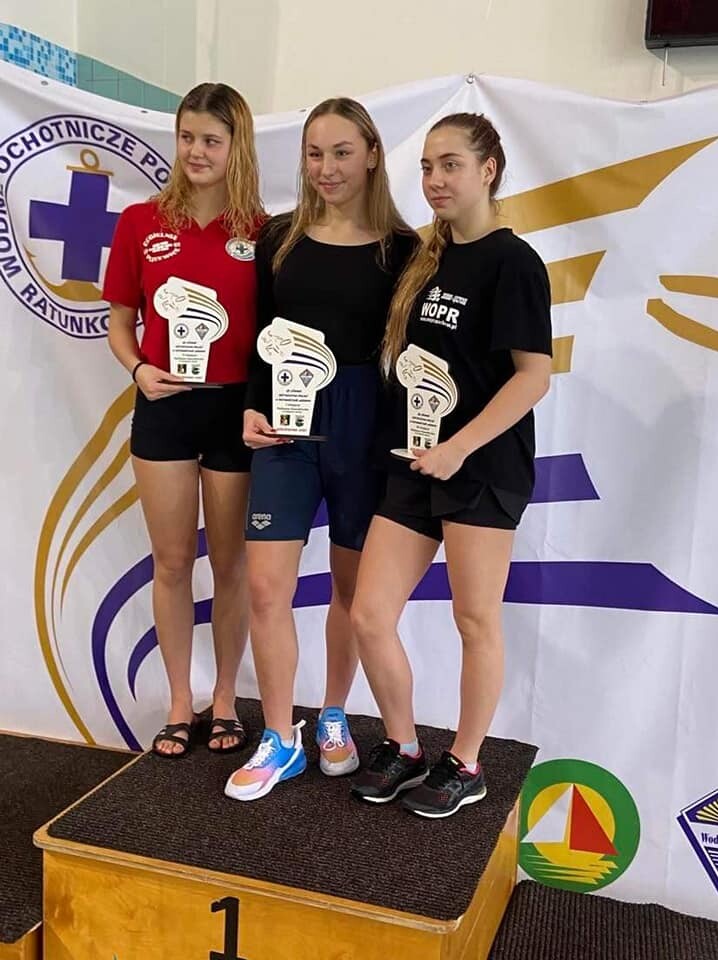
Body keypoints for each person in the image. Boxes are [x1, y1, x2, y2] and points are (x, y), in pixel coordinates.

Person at [349, 112, 552, 818]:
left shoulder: (513, 262)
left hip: (482, 466)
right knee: (369, 615)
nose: (435, 179)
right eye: (428, 167)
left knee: (474, 619)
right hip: (414, 461)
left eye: (451, 165)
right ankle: (404, 746)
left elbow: (533, 376)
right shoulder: (426, 258)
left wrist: (460, 446)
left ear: (488, 169)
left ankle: (466, 764)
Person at [224, 97, 417, 801]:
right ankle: (280, 738)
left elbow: (412, 358)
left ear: (372, 154)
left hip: (365, 429)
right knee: (267, 588)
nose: (326, 168)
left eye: (341, 152)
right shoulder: (279, 238)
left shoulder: (405, 250)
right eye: (314, 153)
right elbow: (263, 335)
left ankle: (334, 713)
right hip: (286, 426)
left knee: (350, 590)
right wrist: (252, 404)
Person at [104, 83, 265, 758]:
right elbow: (119, 322)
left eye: (211, 140)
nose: (196, 151)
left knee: (230, 565)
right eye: (187, 137)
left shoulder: (261, 231)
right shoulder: (141, 222)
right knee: (171, 562)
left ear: (236, 147)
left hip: (235, 412)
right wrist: (139, 370)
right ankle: (178, 701)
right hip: (164, 409)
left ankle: (224, 698)